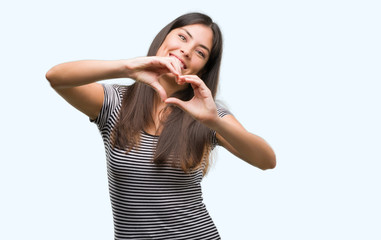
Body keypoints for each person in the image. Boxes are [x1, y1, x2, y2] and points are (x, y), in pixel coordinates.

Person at [46, 12, 276, 240]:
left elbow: (266, 160)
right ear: (164, 39)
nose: (186, 51)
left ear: (203, 69)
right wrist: (128, 67)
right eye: (183, 38)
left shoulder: (207, 113)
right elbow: (56, 77)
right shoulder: (115, 102)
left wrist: (214, 121)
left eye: (200, 52)